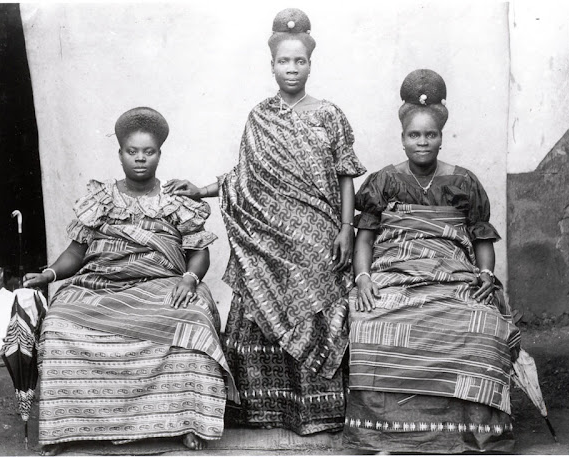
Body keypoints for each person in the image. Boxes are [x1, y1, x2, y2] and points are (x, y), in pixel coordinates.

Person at [165, 8, 366, 435]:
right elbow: (244, 175)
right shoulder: (259, 115)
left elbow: (346, 174)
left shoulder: (330, 114)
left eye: (300, 61)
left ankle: (318, 412)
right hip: (266, 236)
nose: (291, 69)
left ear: (311, 63)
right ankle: (260, 411)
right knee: (257, 298)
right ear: (271, 64)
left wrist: (346, 228)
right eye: (283, 61)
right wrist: (202, 189)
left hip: (319, 231)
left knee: (320, 291)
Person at [23, 107, 238, 455]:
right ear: (120, 152)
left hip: (162, 285)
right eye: (132, 152)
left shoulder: (176, 199)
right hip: (101, 285)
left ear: (159, 154)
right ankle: (66, 427)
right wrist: (49, 273)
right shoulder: (101, 198)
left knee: (194, 321)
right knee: (58, 324)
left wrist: (189, 277)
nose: (140, 159)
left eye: (148, 152)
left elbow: (199, 251)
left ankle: (189, 421)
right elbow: (76, 254)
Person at [343, 70, 521, 453]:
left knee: (483, 326)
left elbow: (481, 238)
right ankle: (382, 434)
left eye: (430, 135)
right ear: (402, 137)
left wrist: (486, 273)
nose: (422, 142)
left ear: (441, 136)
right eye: (414, 135)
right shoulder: (383, 182)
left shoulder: (464, 182)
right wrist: (362, 278)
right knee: (369, 320)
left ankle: (474, 433)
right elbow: (366, 237)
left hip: (453, 273)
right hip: (395, 272)